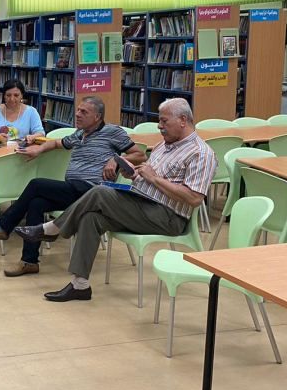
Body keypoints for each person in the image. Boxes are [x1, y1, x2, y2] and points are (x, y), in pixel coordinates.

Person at [17, 98, 216, 302]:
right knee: (90, 218)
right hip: (140, 203)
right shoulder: (163, 146)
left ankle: (52, 229)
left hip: (167, 216)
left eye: (164, 121)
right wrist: (135, 173)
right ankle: (80, 285)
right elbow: (149, 174)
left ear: (183, 120)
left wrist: (155, 179)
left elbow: (194, 198)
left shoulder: (200, 153)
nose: (159, 126)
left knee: (100, 191)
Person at [0, 96, 146, 276]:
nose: (77, 114)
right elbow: (57, 143)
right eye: (78, 110)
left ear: (97, 117)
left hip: (94, 191)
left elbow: (140, 155)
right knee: (36, 204)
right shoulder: (79, 133)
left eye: (84, 112)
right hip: (74, 190)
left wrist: (116, 159)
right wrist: (39, 149)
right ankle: (29, 262)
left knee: (36, 184)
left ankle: (3, 226)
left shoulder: (112, 132)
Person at [0, 80, 44, 187]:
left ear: (22, 95)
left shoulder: (31, 112)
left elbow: (41, 133)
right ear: (4, 95)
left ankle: (17, 195)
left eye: (16, 95)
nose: (12, 99)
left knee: (19, 174)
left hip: (19, 155)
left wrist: (32, 136)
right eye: (8, 95)